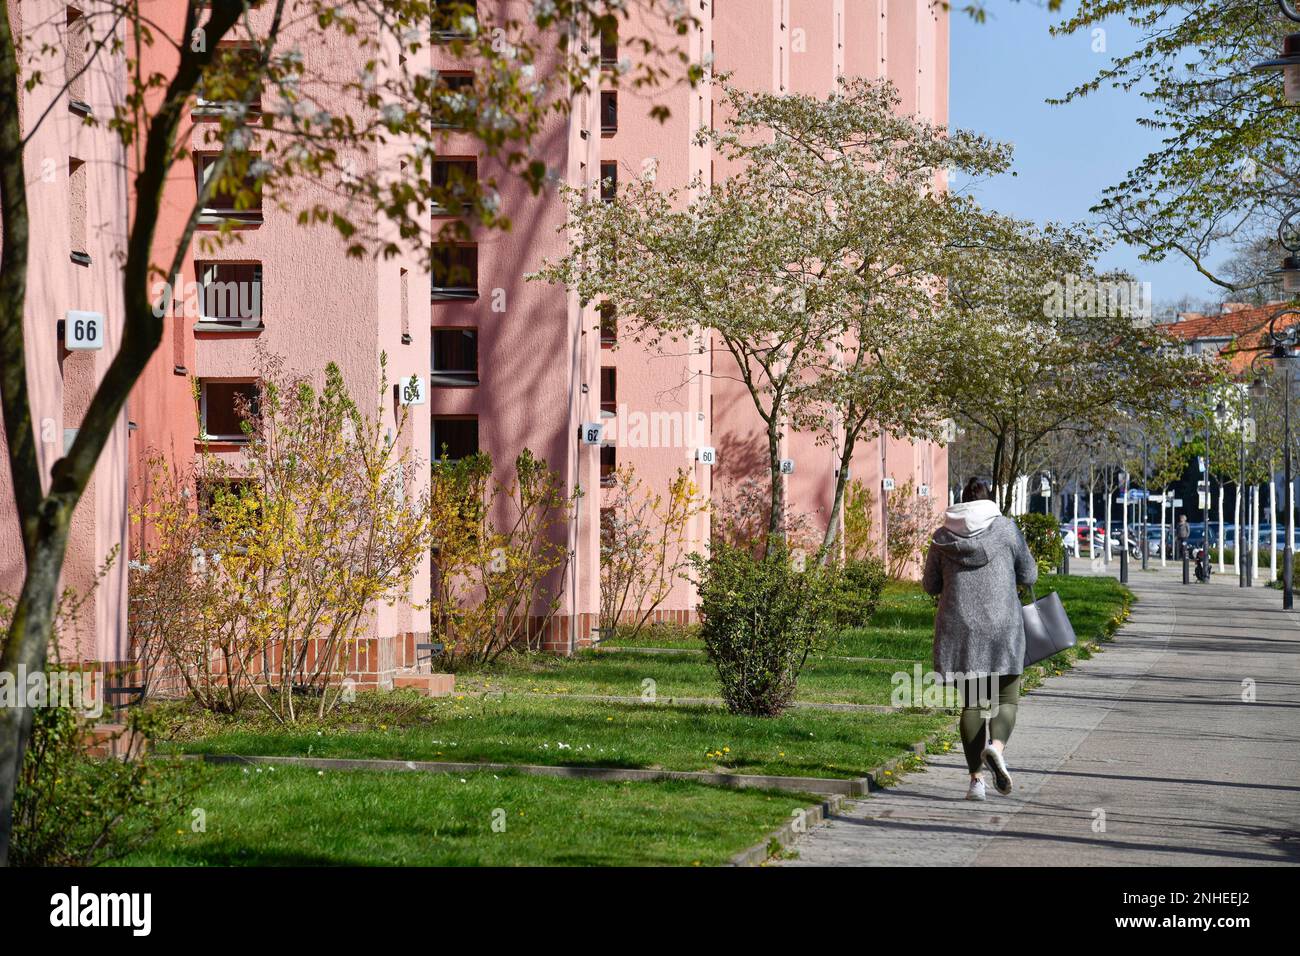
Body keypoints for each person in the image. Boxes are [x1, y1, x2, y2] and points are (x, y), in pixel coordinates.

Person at [922, 477, 1038, 801]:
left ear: (961, 502)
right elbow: (1028, 575)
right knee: (1007, 701)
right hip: (1003, 627)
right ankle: (995, 747)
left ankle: (976, 782)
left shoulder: (942, 537)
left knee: (972, 703)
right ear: (989, 500)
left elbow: (930, 585)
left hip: (962, 629)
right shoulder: (1006, 529)